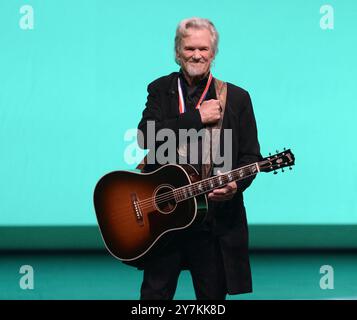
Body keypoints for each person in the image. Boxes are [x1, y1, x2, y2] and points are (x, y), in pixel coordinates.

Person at [137, 17, 261, 300]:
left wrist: (235, 187)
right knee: (154, 299)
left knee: (212, 301)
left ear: (213, 53)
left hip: (213, 223)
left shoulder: (238, 98)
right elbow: (146, 137)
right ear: (177, 52)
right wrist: (197, 117)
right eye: (189, 48)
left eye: (203, 49)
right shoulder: (160, 89)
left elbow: (251, 157)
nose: (196, 55)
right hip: (164, 219)